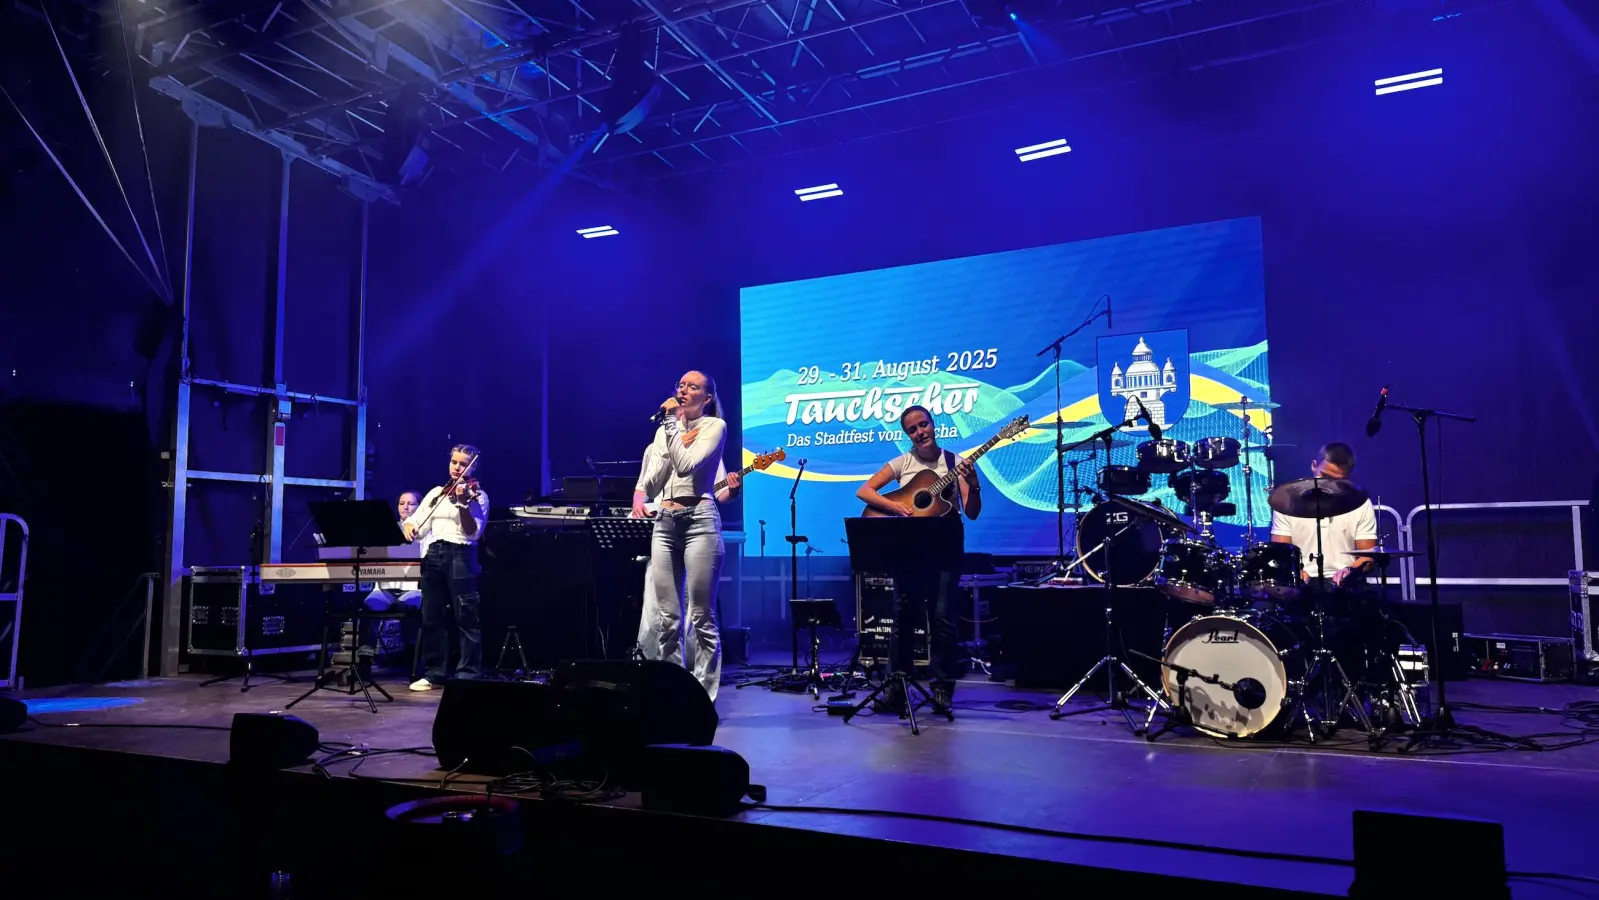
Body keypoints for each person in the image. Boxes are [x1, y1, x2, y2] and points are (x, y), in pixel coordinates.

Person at [855, 404, 982, 711]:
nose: (920, 432)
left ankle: (941, 691)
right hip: (909, 550)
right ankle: (896, 689)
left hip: (945, 548)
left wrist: (973, 483)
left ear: (933, 424)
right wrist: (896, 508)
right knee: (903, 620)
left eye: (923, 424)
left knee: (942, 620)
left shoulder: (956, 463)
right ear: (907, 435)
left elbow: (973, 512)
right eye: (912, 429)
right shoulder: (903, 463)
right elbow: (865, 491)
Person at [631, 371, 728, 702]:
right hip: (666, 524)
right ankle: (672, 696)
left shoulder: (714, 427)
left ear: (707, 398)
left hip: (699, 520)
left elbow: (687, 467)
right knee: (668, 619)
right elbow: (656, 483)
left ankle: (703, 699)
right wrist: (659, 451)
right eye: (681, 385)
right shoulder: (665, 431)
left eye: (693, 387)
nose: (684, 390)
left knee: (701, 616)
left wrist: (672, 425)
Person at [632, 445, 741, 671]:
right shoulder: (654, 447)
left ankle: (694, 676)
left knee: (697, 612)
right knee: (657, 609)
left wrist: (732, 490)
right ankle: (656, 668)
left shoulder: (709, 442)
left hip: (697, 529)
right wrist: (639, 505)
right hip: (662, 528)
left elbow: (720, 493)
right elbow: (642, 488)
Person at [401, 445, 488, 691]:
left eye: (462, 464)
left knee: (466, 616)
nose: (457, 468)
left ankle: (468, 674)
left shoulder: (477, 495)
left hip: (461, 553)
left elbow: (473, 532)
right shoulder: (437, 493)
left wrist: (462, 505)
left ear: (473, 466)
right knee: (431, 616)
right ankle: (434, 672)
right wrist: (409, 526)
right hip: (434, 554)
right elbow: (416, 521)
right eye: (454, 462)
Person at [1270, 442, 1377, 586]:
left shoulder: (1360, 503)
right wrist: (1296, 571)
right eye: (1324, 476)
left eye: (1337, 481)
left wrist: (1350, 570)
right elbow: (1281, 552)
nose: (1328, 484)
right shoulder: (1289, 501)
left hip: (1344, 585)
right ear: (1314, 465)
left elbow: (1368, 557)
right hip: (1301, 582)